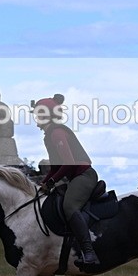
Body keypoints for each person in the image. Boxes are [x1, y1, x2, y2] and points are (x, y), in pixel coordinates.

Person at [33, 94, 100, 266]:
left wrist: (51, 182)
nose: (36, 119)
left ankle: (89, 252)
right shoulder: (49, 135)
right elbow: (56, 167)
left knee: (69, 206)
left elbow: (69, 163)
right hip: (74, 176)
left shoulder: (57, 133)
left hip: (84, 175)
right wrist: (44, 183)